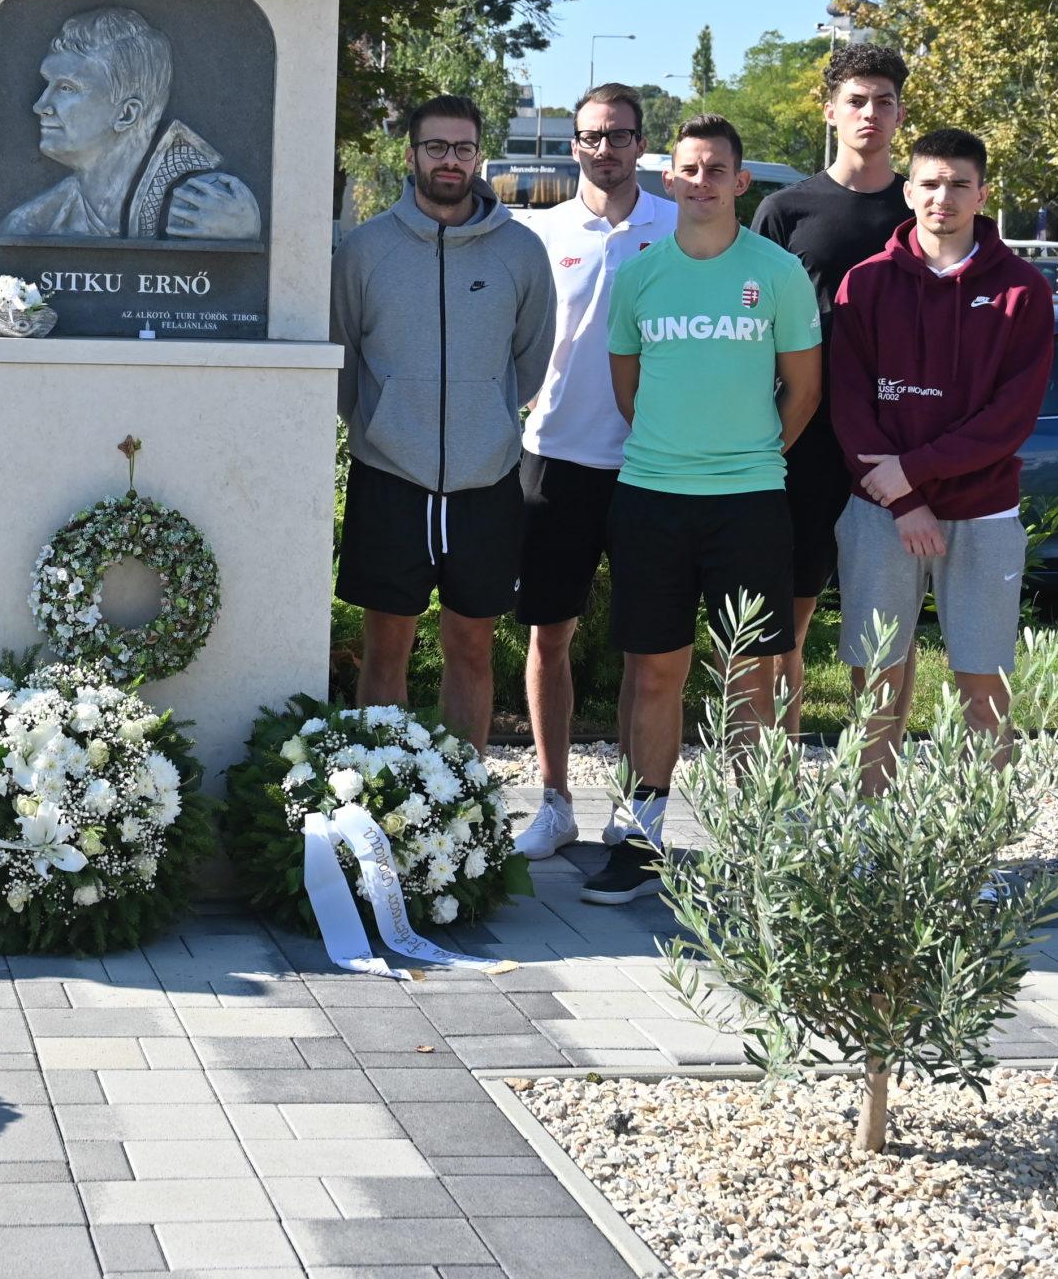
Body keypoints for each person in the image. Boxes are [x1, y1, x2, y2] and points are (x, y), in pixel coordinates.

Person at [590, 115, 821, 904]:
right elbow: (626, 387)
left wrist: (750, 453)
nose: (700, 182)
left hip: (750, 502)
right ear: (668, 179)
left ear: (740, 181)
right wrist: (676, 447)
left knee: (751, 679)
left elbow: (804, 389)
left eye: (715, 169)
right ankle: (643, 834)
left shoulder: (779, 273)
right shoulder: (642, 273)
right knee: (656, 673)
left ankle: (751, 842)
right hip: (652, 497)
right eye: (687, 169)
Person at [827, 127, 1054, 792]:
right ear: (908, 191)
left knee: (983, 678)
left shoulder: (1022, 290)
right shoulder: (864, 285)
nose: (943, 197)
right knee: (877, 675)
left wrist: (912, 472)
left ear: (983, 193)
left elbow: (1008, 421)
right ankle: (872, 837)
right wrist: (903, 497)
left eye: (959, 184)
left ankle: (975, 845)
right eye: (929, 182)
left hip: (983, 511)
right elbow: (849, 407)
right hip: (880, 511)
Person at [332, 94, 556, 755]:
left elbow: (531, 361)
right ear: (411, 155)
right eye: (436, 147)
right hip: (389, 477)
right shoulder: (366, 249)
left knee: (473, 646)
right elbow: (344, 360)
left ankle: (462, 803)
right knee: (385, 650)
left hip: (485, 481)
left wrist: (481, 414)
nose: (449, 160)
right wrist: (385, 424)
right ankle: (384, 795)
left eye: (463, 148)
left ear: (478, 156)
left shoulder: (520, 251)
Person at [509, 84, 678, 858]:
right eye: (590, 136)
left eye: (618, 135)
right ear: (571, 144)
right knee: (550, 636)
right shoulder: (541, 232)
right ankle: (552, 800)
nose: (604, 148)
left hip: (653, 463)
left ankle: (643, 812)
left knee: (653, 648)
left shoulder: (678, 226)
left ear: (641, 142)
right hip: (557, 457)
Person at [751, 42, 910, 718]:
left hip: (900, 441)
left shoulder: (925, 204)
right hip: (803, 438)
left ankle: (874, 799)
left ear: (900, 114)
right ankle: (775, 790)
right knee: (787, 621)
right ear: (830, 112)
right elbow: (751, 323)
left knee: (885, 636)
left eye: (883, 100)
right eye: (856, 100)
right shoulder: (788, 211)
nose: (869, 112)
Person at [0, 4, 261, 243]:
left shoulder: (214, 208)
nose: (40, 106)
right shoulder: (32, 223)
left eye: (66, 88)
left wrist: (244, 232)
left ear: (126, 114)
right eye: (47, 85)